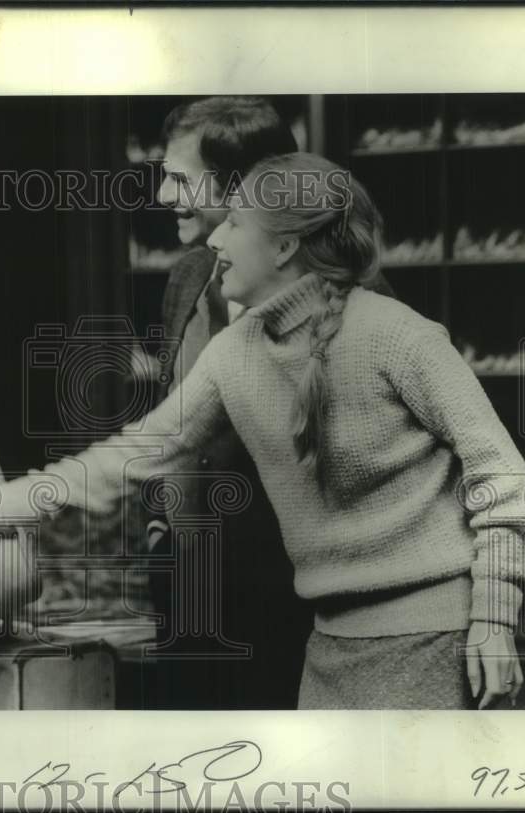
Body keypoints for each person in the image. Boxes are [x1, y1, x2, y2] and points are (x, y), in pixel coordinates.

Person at [0, 153, 525, 710]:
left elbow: (504, 480)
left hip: (434, 639)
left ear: (284, 247)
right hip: (331, 647)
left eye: (233, 224)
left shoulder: (400, 336)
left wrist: (493, 620)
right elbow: (127, 458)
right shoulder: (235, 354)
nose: (216, 237)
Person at [144, 96, 392, 709]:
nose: (163, 196)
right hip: (191, 592)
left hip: (298, 605)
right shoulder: (186, 278)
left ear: (246, 189)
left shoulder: (355, 297)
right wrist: (160, 527)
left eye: (180, 180)